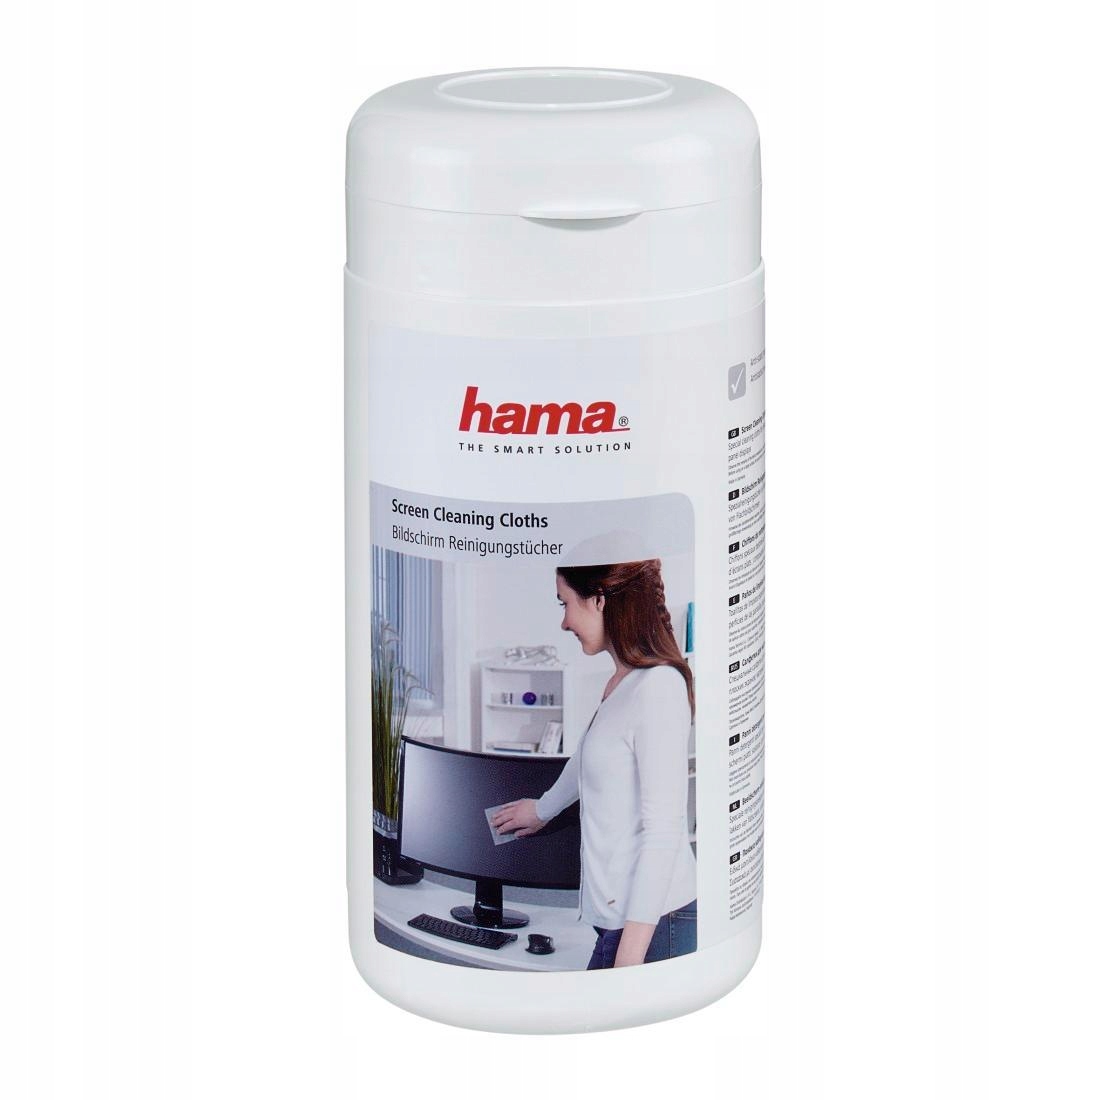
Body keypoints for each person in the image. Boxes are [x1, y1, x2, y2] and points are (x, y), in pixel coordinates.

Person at [491, 558, 697, 969]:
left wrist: (629, 958)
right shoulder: (622, 682)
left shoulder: (658, 687)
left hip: (653, 925)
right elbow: (590, 755)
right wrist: (542, 809)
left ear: (599, 600)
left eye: (564, 603)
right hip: (618, 923)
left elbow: (664, 830)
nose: (564, 622)